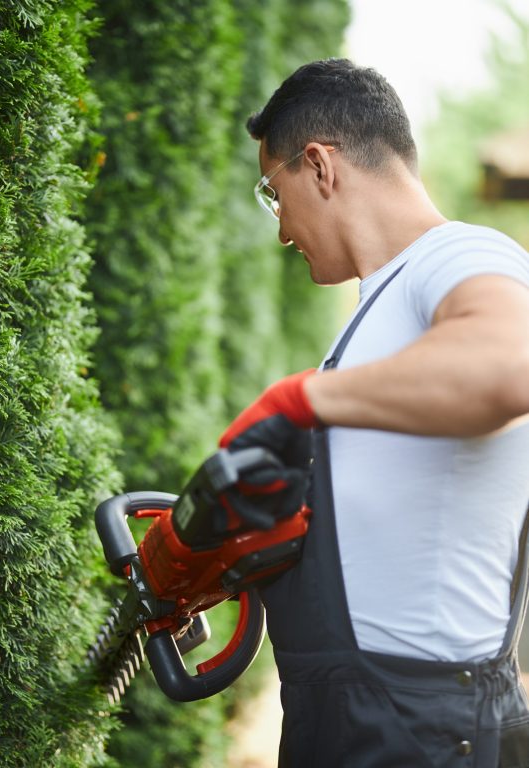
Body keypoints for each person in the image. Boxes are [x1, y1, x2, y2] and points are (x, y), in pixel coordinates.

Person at [219, 59, 529, 767]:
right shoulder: (375, 315)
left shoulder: (461, 254)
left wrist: (295, 402)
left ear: (320, 165)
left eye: (275, 193)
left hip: (423, 732)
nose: (282, 232)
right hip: (361, 718)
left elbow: (511, 368)